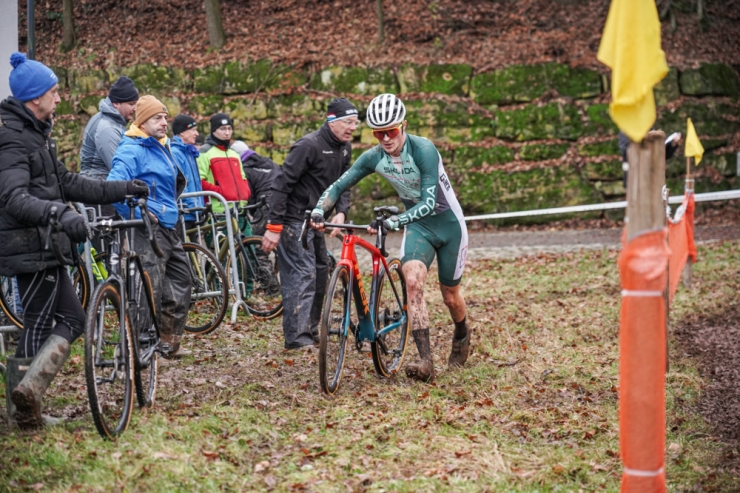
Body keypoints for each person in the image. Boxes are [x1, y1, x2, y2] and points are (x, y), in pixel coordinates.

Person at [0, 53, 148, 428]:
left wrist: (121, 188)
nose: (60, 99)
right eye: (54, 92)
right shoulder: (13, 138)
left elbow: (66, 182)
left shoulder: (37, 132)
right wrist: (61, 214)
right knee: (41, 320)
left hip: (44, 243)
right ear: (35, 98)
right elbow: (13, 198)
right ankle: (23, 411)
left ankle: (27, 399)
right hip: (28, 243)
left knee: (70, 318)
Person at [311, 93, 471, 383]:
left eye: (391, 131)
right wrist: (320, 209)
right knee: (412, 282)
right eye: (378, 133)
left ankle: (461, 331)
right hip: (419, 228)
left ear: (404, 126)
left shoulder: (424, 150)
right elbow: (338, 185)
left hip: (449, 226)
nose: (385, 138)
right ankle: (425, 362)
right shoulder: (373, 157)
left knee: (450, 297)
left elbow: (427, 203)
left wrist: (394, 220)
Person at [261, 98, 358, 350]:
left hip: (317, 219)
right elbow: (281, 185)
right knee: (302, 274)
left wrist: (341, 212)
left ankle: (311, 328)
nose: (352, 128)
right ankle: (297, 338)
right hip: (293, 218)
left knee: (320, 270)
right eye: (347, 122)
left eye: (355, 123)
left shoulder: (345, 148)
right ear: (331, 121)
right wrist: (274, 226)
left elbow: (343, 184)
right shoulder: (308, 145)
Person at [107, 95, 192, 359]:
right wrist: (139, 215)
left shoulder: (161, 144)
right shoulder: (132, 149)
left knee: (181, 280)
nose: (164, 122)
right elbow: (113, 188)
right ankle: (141, 347)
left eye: (165, 117)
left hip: (168, 227)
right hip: (146, 230)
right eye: (157, 118)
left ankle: (167, 342)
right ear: (142, 122)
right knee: (148, 291)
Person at [196, 113, 252, 233]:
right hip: (218, 213)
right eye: (222, 129)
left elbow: (243, 178)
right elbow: (199, 181)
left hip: (240, 210)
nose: (227, 133)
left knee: (248, 248)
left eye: (229, 129)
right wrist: (221, 192)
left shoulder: (234, 153)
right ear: (213, 131)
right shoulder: (205, 152)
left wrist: (245, 193)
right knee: (224, 250)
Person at [79, 76, 139, 179]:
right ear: (116, 103)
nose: (135, 108)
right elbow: (119, 168)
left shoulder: (111, 121)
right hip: (97, 186)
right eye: (131, 104)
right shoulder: (106, 128)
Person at [230, 140, 280, 236]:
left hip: (266, 206)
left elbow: (249, 195)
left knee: (257, 244)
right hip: (284, 203)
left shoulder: (244, 170)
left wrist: (253, 215)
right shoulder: (269, 162)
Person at [170, 114, 205, 242]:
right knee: (184, 254)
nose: (197, 134)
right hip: (185, 212)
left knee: (193, 254)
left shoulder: (189, 152)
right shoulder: (176, 152)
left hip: (194, 211)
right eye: (193, 130)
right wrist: (189, 206)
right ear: (182, 133)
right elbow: (180, 182)